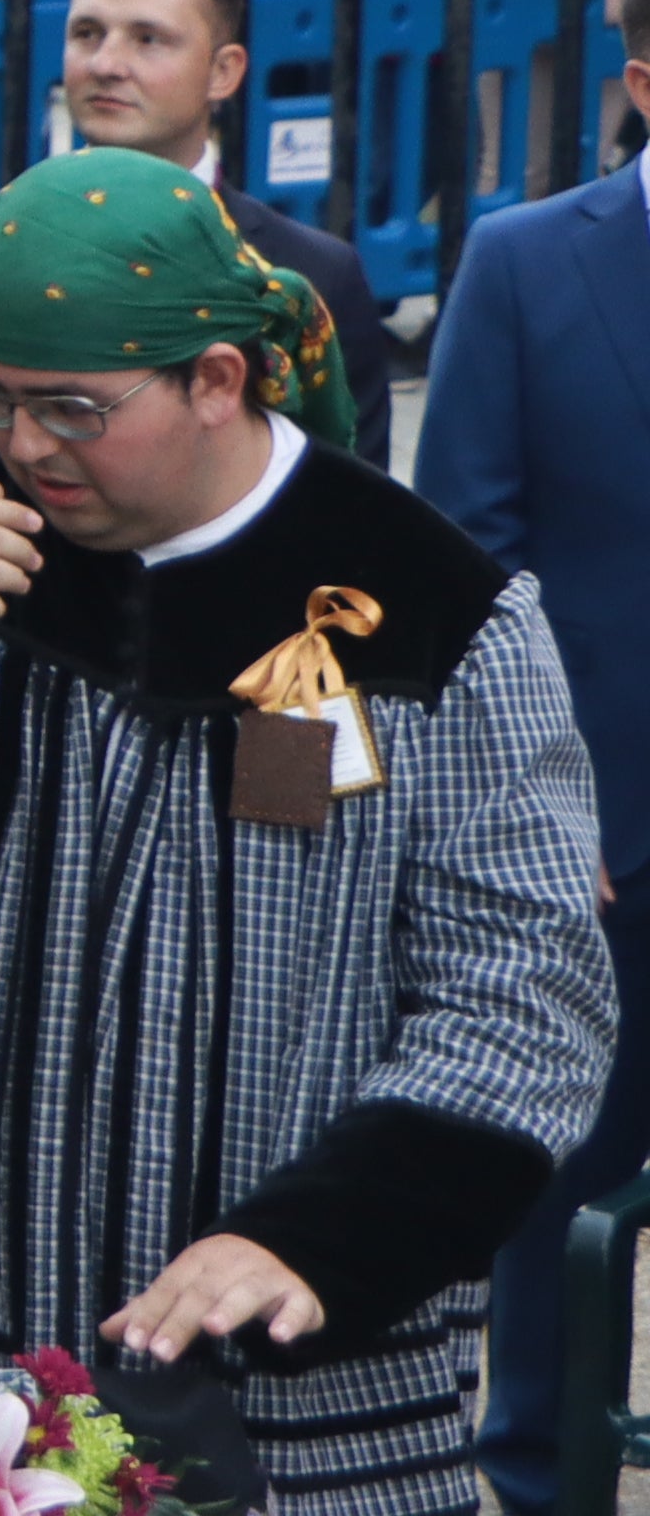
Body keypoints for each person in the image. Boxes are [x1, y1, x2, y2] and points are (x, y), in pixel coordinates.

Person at [0, 154, 611, 1514]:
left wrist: (319, 1239)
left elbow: (528, 1004)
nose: (26, 446)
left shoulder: (431, 615)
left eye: (75, 410)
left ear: (217, 379)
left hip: (271, 1365)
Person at [413, 133, 650, 1510]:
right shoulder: (521, 258)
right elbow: (470, 559)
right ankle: (544, 1478)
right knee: (560, 1201)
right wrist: (545, 810)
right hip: (605, 839)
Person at [0, 0, 394, 458]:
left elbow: (355, 508)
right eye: (86, 34)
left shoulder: (315, 272)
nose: (105, 64)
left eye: (148, 40)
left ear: (223, 72)